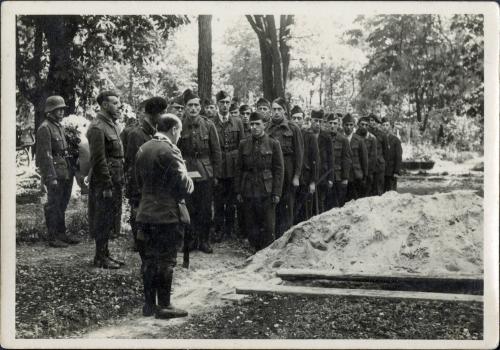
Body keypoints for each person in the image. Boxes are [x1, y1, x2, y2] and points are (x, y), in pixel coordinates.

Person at [135, 113, 194, 319]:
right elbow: (184, 185)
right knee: (167, 260)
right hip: (166, 215)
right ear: (174, 130)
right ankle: (165, 305)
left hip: (145, 213)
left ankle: (149, 305)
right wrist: (189, 182)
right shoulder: (170, 150)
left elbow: (138, 182)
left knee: (149, 260)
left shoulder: (143, 148)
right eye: (179, 131)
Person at [178, 89, 222, 253]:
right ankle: (189, 241)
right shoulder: (179, 125)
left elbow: (216, 152)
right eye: (190, 105)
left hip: (205, 171)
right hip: (187, 170)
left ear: (200, 107)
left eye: (196, 105)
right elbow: (176, 150)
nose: (194, 108)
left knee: (204, 208)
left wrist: (216, 174)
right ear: (185, 107)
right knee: (188, 207)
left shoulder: (209, 125)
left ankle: (204, 241)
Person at [122, 97, 168, 254]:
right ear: (153, 114)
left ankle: (147, 240)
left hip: (150, 182)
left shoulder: (154, 132)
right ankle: (139, 242)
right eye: (162, 113)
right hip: (139, 182)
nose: (164, 116)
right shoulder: (137, 134)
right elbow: (133, 162)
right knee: (138, 210)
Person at [236, 111, 284, 252]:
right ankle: (254, 249)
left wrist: (276, 192)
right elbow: (239, 169)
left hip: (266, 189)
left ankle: (267, 251)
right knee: (251, 222)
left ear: (264, 125)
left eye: (257, 124)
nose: (254, 127)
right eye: (252, 124)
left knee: (268, 224)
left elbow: (279, 170)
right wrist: (238, 190)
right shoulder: (243, 144)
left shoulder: (273, 144)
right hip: (249, 189)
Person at [87, 90, 125, 269]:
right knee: (102, 217)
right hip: (105, 181)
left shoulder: (112, 125)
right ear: (104, 105)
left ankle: (105, 254)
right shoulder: (97, 127)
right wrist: (106, 184)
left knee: (110, 217)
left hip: (115, 178)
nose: (119, 106)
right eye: (115, 103)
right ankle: (100, 257)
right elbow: (98, 159)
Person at [36, 95, 80, 248]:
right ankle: (53, 236)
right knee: (53, 204)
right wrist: (50, 176)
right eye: (58, 109)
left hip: (64, 169)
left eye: (62, 109)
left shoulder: (59, 126)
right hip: (54, 171)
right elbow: (45, 155)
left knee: (62, 203)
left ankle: (62, 233)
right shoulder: (45, 128)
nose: (61, 112)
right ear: (50, 111)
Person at [266, 97, 304, 237]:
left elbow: (299, 154)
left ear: (285, 111)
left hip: (288, 172)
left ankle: (285, 238)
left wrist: (296, 176)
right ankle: (272, 239)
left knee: (287, 207)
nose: (276, 112)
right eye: (274, 109)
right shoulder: (266, 128)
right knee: (272, 206)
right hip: (272, 172)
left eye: (279, 109)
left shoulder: (293, 128)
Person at [212, 91, 246, 242]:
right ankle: (218, 230)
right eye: (222, 103)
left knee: (232, 201)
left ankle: (230, 230)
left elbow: (243, 144)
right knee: (218, 201)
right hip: (218, 167)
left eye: (227, 102)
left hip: (233, 167)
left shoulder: (237, 121)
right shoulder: (211, 122)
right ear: (217, 104)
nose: (225, 106)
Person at [291, 106, 319, 223]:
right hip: (291, 178)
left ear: (303, 120)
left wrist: (313, 182)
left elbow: (315, 160)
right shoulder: (288, 134)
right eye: (294, 118)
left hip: (305, 179)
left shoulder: (310, 136)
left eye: (299, 118)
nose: (296, 121)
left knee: (305, 211)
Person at [310, 110, 334, 214]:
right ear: (311, 120)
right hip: (309, 176)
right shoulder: (305, 134)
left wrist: (330, 178)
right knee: (309, 204)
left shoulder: (326, 137)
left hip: (322, 176)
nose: (318, 124)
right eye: (315, 121)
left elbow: (331, 158)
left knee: (320, 203)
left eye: (320, 121)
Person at [327, 113, 351, 208]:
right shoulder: (323, 137)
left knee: (338, 204)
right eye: (330, 123)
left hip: (338, 177)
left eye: (335, 123)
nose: (332, 125)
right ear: (327, 123)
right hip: (325, 176)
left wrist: (345, 178)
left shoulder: (343, 140)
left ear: (338, 125)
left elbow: (346, 159)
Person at [343, 113, 368, 202]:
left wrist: (364, 175)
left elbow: (364, 160)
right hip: (344, 177)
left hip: (356, 176)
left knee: (357, 201)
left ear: (354, 126)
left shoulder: (359, 140)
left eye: (351, 125)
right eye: (346, 125)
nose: (349, 127)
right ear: (343, 126)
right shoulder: (340, 139)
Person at [356, 116, 378, 197]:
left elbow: (373, 158)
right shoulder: (355, 137)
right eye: (362, 124)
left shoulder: (372, 139)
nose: (364, 127)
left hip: (368, 173)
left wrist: (367, 173)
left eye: (366, 125)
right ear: (358, 125)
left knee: (367, 195)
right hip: (356, 172)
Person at [368, 113, 387, 196]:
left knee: (379, 189)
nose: (373, 123)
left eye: (375, 121)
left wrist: (382, 162)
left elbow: (386, 152)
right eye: (371, 120)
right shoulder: (365, 134)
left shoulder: (382, 135)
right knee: (369, 189)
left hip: (379, 165)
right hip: (368, 165)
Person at [382, 117, 403, 192]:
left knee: (391, 193)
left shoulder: (395, 140)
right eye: (383, 125)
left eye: (387, 125)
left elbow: (398, 157)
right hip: (381, 172)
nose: (385, 127)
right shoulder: (379, 139)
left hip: (391, 172)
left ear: (390, 126)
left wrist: (396, 171)